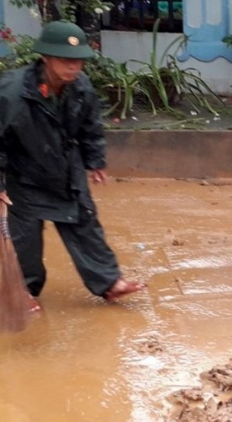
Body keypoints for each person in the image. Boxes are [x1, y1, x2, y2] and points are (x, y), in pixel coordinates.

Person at [0, 21, 146, 313]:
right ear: (45, 57)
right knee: (24, 238)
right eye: (66, 60)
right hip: (24, 173)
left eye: (78, 60)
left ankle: (108, 282)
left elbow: (90, 127)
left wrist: (95, 160)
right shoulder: (11, 93)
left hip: (66, 168)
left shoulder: (81, 87)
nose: (73, 67)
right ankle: (24, 290)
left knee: (84, 222)